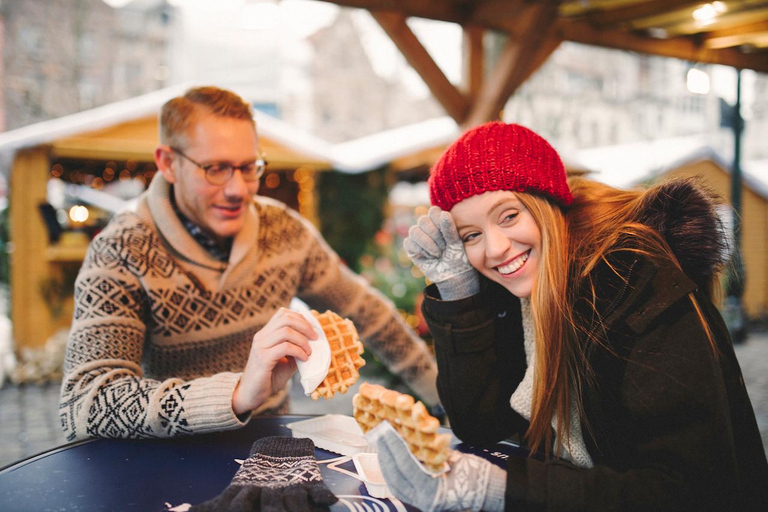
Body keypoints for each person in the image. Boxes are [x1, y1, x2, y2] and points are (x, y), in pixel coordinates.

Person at [375, 121, 768, 511]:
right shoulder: (517, 291)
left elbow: (689, 489)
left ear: (546, 204)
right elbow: (481, 425)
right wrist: (459, 290)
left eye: (509, 216)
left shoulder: (633, 282)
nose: (494, 249)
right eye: (470, 235)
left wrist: (502, 489)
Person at [58, 86, 438, 441]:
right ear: (168, 163)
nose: (238, 189)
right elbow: (85, 403)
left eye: (247, 167)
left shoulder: (283, 230)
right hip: (168, 459)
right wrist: (236, 393)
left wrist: (442, 396)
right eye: (216, 169)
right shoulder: (121, 250)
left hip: (273, 448)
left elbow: (370, 314)